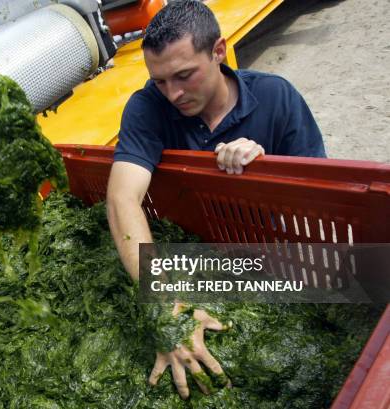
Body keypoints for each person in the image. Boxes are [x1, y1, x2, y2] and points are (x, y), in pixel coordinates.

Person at [106, 0, 326, 400]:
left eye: (184, 75)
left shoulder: (277, 98)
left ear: (219, 51)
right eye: (159, 80)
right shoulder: (147, 107)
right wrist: (167, 312)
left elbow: (319, 210)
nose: (172, 93)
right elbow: (122, 199)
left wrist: (264, 173)